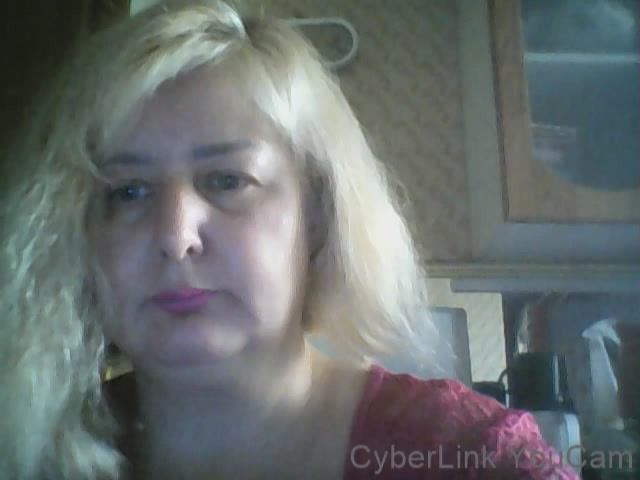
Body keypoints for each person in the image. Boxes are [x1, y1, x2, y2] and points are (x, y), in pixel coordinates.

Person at [0, 1, 579, 479]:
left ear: (318, 216)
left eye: (228, 180)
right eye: (127, 191)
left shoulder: (472, 460)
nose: (175, 238)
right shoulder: (27, 451)